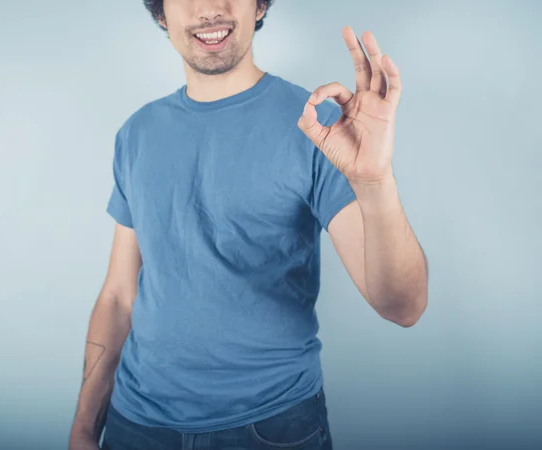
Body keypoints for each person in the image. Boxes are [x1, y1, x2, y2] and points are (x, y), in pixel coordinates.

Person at [68, 1, 429, 449]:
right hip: (135, 426)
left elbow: (402, 306)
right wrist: (84, 427)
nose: (209, 9)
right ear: (161, 14)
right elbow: (119, 296)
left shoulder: (318, 123)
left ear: (259, 6)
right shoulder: (136, 134)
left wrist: (375, 181)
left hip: (271, 426)